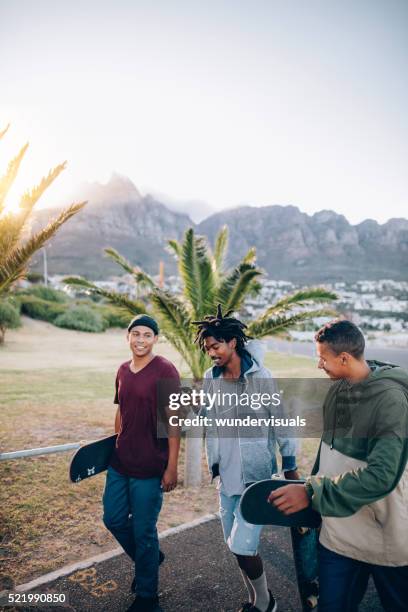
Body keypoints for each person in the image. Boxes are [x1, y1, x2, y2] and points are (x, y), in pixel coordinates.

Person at [269, 319, 408, 612]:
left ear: (344, 358)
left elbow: (382, 476)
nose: (319, 365)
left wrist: (311, 492)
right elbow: (329, 455)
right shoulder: (336, 390)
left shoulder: (391, 401)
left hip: (386, 536)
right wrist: (314, 491)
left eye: (323, 358)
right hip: (337, 535)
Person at [193, 305, 299, 612]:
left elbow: (282, 423)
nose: (210, 352)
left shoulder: (261, 378)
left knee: (242, 545)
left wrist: (290, 466)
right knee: (236, 547)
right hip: (227, 480)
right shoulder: (211, 378)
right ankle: (258, 601)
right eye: (207, 348)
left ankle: (266, 603)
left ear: (232, 343)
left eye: (214, 346)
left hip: (256, 478)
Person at [103, 314, 181, 612]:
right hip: (120, 463)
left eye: (147, 335)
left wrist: (172, 466)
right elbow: (120, 410)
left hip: (151, 467)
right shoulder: (122, 370)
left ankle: (147, 596)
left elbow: (173, 423)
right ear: (127, 337)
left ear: (155, 339)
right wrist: (116, 440)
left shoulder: (166, 370)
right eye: (135, 334)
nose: (140, 339)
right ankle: (149, 557)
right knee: (113, 518)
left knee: (144, 531)